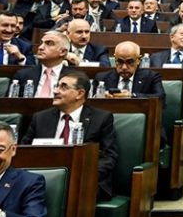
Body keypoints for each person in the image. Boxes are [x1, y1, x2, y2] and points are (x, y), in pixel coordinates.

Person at [20, 72, 118, 201]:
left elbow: (109, 157)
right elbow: (23, 151)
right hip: (42, 177)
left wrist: (81, 176)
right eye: (56, 86)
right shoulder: (41, 118)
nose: (55, 91)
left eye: (63, 87)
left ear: (80, 93)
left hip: (85, 180)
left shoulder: (101, 118)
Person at [94, 41, 165, 102]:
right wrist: (102, 96)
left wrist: (132, 96)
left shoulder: (151, 77)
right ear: (115, 59)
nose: (124, 67)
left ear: (138, 60)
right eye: (120, 61)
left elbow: (160, 97)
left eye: (130, 62)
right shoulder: (101, 78)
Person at [11, 31, 75, 99]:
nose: (40, 47)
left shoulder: (74, 77)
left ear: (63, 52)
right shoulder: (23, 74)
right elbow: (9, 103)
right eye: (41, 43)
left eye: (49, 43)